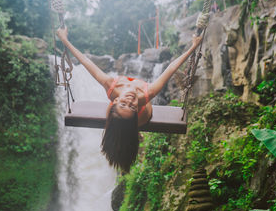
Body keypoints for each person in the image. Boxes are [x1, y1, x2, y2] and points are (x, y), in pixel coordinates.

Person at [56, 27, 203, 173]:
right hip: (143, 117)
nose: (130, 100)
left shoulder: (109, 85)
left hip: (126, 115)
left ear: (115, 101)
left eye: (123, 103)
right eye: (132, 106)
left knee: (113, 117)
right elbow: (170, 69)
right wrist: (193, 46)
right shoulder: (147, 94)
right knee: (122, 118)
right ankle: (133, 129)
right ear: (136, 109)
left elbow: (85, 61)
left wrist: (64, 39)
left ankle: (126, 128)